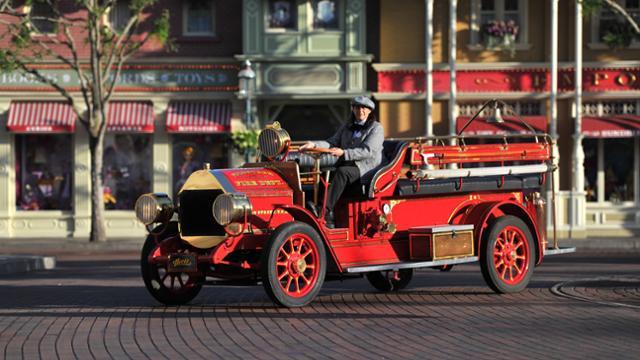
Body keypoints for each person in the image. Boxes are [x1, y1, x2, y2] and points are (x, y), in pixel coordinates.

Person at [299, 95, 384, 228]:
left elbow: (368, 151)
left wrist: (344, 153)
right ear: (353, 109)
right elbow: (331, 142)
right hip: (348, 164)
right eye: (357, 108)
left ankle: (322, 211)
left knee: (342, 173)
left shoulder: (376, 128)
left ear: (369, 111)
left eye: (364, 108)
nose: (360, 111)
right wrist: (313, 145)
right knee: (324, 174)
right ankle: (328, 216)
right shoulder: (347, 126)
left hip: (366, 168)